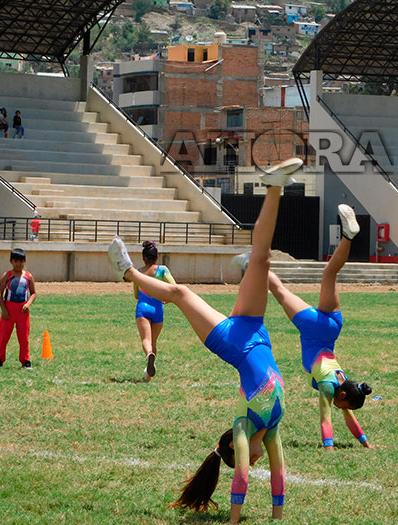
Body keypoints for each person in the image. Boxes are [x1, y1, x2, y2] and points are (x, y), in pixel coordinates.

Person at [108, 158, 302, 523]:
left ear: (236, 450)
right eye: (252, 460)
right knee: (262, 259)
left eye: (248, 459)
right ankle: (275, 185)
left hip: (231, 343)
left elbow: (241, 476)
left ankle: (128, 271)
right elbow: (279, 475)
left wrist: (233, 521)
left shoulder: (245, 426)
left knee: (180, 293)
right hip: (256, 330)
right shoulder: (272, 426)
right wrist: (277, 518)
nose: (255, 462)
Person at [267, 204, 378, 451]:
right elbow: (326, 417)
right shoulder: (330, 387)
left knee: (330, 273)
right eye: (344, 405)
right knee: (279, 291)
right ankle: (254, 262)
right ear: (342, 396)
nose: (342, 409)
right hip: (313, 329)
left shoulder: (346, 383)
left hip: (333, 327)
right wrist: (328, 448)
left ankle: (348, 236)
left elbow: (349, 416)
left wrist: (365, 443)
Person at [132, 240, 176, 381]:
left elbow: (136, 295)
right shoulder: (163, 270)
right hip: (157, 309)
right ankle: (148, 375)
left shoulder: (137, 273)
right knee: (153, 342)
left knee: (146, 340)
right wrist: (167, 299)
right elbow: (174, 287)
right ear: (157, 257)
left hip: (143, 309)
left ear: (143, 257)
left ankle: (149, 355)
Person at [0, 248, 36, 369]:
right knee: (3, 336)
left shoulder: (28, 276)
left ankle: (25, 360)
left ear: (25, 261)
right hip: (8, 309)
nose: (18, 264)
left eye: (21, 261)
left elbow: (33, 293)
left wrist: (28, 304)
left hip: (22, 311)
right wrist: (4, 309)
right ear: (11, 261)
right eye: (16, 261)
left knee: (23, 337)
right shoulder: (7, 275)